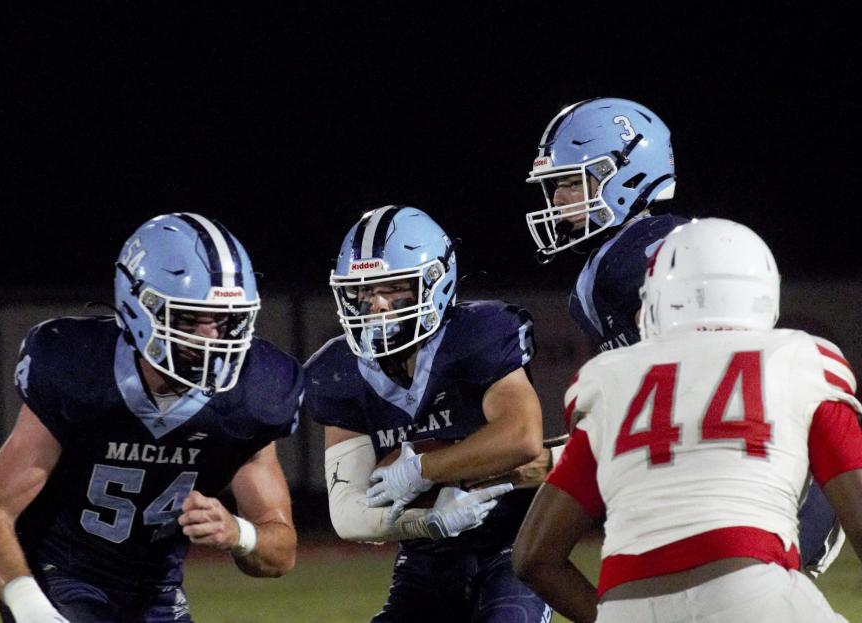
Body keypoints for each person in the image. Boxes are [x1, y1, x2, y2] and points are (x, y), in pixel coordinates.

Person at [522, 97, 844, 573]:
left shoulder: (635, 258)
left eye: (572, 182)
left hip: (746, 490)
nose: (558, 201)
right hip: (756, 470)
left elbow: (681, 412)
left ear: (626, 173)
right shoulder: (643, 251)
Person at [511, 218, 862, 622]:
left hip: (628, 606)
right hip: (753, 593)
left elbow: (532, 559)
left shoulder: (609, 379)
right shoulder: (801, 360)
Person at [0, 213, 302, 623]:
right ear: (138, 306)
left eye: (225, 319)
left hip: (156, 593)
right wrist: (31, 608)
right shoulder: (78, 370)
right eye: (189, 318)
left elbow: (280, 551)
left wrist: (239, 533)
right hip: (61, 577)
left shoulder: (254, 394)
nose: (211, 337)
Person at [304, 205, 554, 622]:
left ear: (436, 282)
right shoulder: (338, 371)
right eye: (364, 291)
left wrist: (423, 469)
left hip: (509, 548)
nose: (378, 305)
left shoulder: (480, 334)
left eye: (395, 286)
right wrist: (427, 521)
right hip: (424, 564)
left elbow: (522, 435)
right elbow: (348, 513)